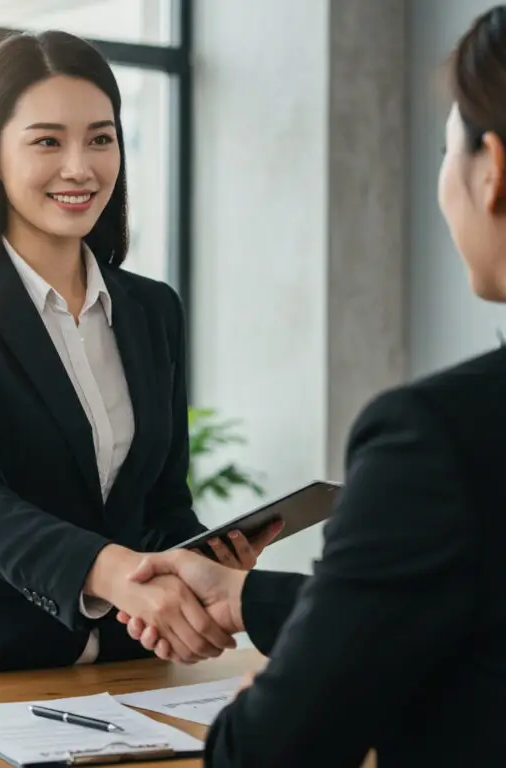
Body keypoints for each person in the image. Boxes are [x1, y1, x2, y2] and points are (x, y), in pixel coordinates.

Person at [118, 6, 506, 766]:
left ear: (492, 171)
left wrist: (254, 706)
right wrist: (244, 597)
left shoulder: (437, 436)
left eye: (442, 149)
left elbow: (275, 750)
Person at [0, 30, 266, 680]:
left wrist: (201, 563)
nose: (80, 168)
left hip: (132, 667)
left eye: (100, 137)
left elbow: (162, 503)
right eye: (46, 140)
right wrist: (114, 573)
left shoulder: (152, 310)